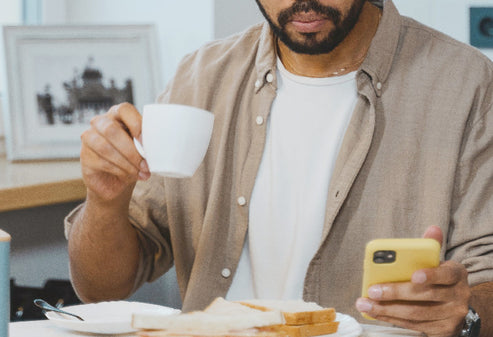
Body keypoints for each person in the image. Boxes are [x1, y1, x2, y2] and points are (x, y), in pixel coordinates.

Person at [65, 1, 493, 336]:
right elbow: (102, 289)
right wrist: (105, 200)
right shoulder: (199, 77)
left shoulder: (466, 84)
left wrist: (465, 311)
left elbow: (485, 283)